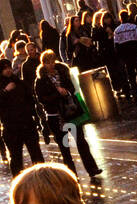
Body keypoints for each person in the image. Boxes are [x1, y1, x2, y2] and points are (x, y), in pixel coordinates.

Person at [34, 50, 101, 178]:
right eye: (48, 62)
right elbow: (42, 99)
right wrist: (57, 94)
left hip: (70, 111)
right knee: (65, 148)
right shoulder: (40, 80)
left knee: (81, 141)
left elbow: (72, 87)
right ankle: (71, 175)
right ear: (43, 64)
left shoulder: (63, 72)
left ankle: (92, 169)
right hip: (56, 116)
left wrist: (67, 92)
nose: (51, 64)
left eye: (52, 61)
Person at [0, 58, 44, 177]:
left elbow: (31, 101)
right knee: (16, 158)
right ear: (0, 70)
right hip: (11, 128)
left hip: (27, 124)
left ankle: (42, 179)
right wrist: (5, 91)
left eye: (9, 68)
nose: (8, 70)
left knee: (36, 154)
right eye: (5, 69)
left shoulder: (19, 82)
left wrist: (38, 120)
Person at [113, 10, 137, 106]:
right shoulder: (134, 27)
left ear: (120, 18)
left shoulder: (117, 31)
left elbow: (116, 46)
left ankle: (135, 96)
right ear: (128, 17)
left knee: (131, 77)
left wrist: (122, 56)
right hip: (136, 55)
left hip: (126, 58)